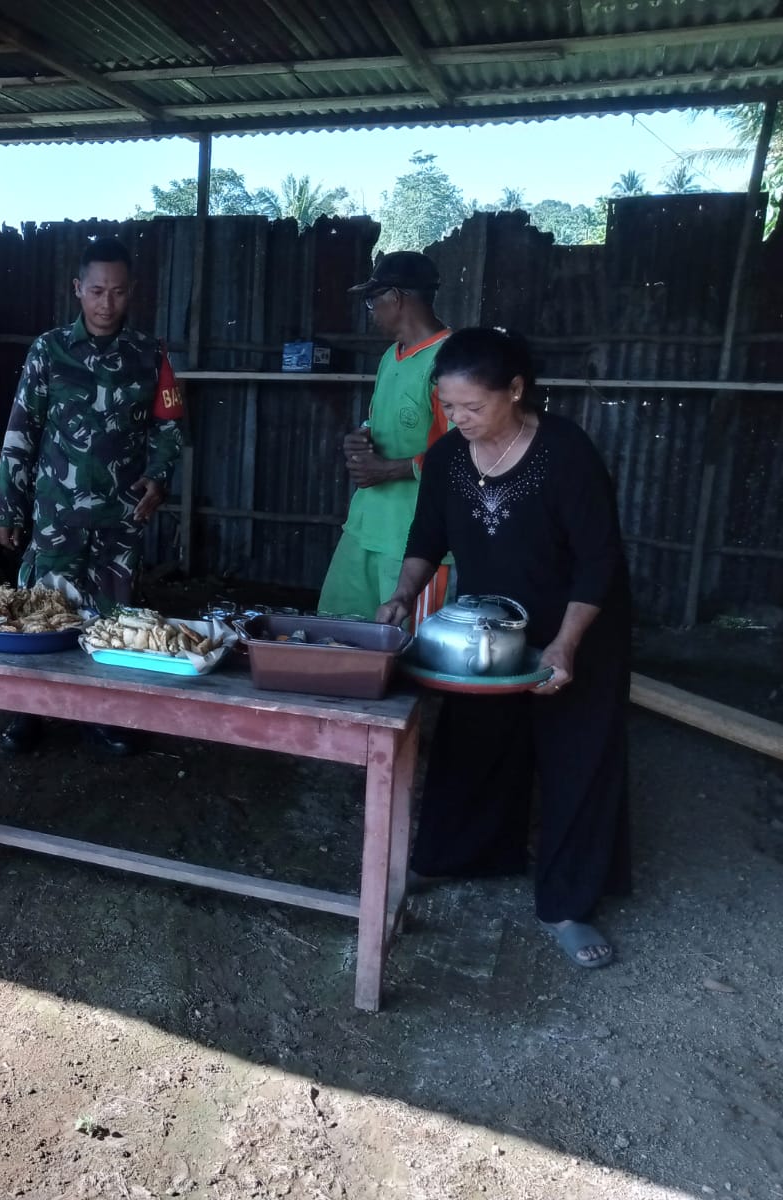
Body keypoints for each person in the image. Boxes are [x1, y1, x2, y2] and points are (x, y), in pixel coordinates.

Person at [376, 328, 631, 969]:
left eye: (473, 406)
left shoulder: (565, 452)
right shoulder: (447, 457)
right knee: (477, 744)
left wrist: (565, 644)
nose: (459, 418)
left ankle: (568, 905)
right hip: (487, 633)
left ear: (515, 390)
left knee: (576, 758)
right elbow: (426, 537)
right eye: (449, 406)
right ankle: (462, 856)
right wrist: (403, 595)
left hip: (576, 627)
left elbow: (599, 560)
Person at [0, 235, 184, 755]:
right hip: (56, 513)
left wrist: (159, 476)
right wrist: (7, 506)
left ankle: (105, 714)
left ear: (132, 291)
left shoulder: (150, 354)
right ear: (78, 288)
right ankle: (28, 711)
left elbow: (168, 427)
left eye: (118, 292)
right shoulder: (49, 350)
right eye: (97, 291)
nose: (106, 303)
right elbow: (21, 430)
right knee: (41, 610)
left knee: (115, 618)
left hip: (121, 516)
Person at [319, 251, 451, 624]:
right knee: (336, 631)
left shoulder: (450, 360)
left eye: (372, 300)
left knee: (404, 645)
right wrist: (359, 440)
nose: (371, 311)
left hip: (415, 543)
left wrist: (389, 470)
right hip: (366, 526)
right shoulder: (390, 356)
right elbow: (379, 423)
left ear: (395, 297)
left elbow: (463, 454)